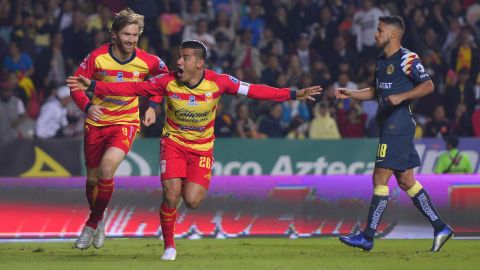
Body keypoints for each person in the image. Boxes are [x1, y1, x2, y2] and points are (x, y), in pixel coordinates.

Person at [67, 40, 321, 260]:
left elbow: (254, 90)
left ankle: (187, 186)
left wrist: (293, 94)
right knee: (171, 195)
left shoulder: (219, 82)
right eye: (179, 56)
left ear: (199, 63)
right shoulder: (166, 82)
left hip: (201, 150)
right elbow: (130, 88)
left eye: (185, 58)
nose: (178, 61)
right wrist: (93, 86)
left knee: (193, 201)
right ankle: (169, 246)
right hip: (173, 144)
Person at [335, 16, 453, 252]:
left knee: (379, 179)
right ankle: (441, 227)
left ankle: (367, 236)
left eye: (379, 31)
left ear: (392, 35)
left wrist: (402, 97)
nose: (375, 34)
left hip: (397, 126)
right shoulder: (380, 62)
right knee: (406, 181)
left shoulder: (408, 58)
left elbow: (428, 85)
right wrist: (351, 93)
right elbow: (376, 92)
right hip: (391, 124)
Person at [69, 8, 168, 250]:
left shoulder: (148, 60)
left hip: (125, 122)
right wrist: (88, 105)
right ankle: (99, 218)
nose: (131, 40)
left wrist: (154, 107)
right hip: (96, 124)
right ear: (114, 34)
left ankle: (91, 224)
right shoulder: (97, 57)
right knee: (92, 180)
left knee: (106, 169)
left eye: (135, 35)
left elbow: (165, 81)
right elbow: (75, 85)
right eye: (126, 34)